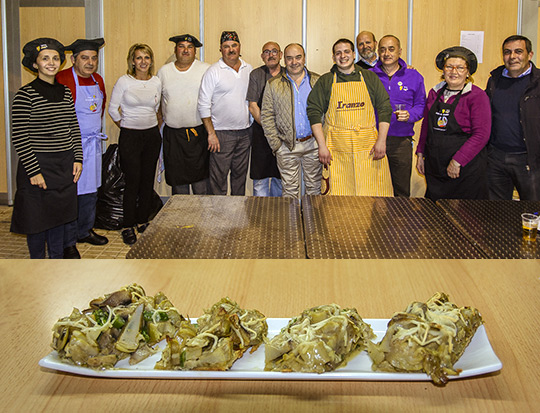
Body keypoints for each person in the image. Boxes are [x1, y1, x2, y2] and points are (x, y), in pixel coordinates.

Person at [11, 38, 83, 258]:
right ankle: (37, 265)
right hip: (38, 167)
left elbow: (73, 127)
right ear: (35, 64)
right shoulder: (25, 95)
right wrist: (33, 171)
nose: (51, 62)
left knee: (59, 219)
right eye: (45, 59)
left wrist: (78, 158)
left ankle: (56, 263)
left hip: (64, 165)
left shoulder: (65, 92)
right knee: (37, 221)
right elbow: (20, 137)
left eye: (54, 58)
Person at [308, 38, 393, 196]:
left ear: (354, 55)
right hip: (336, 149)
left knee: (370, 195)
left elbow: (384, 108)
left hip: (368, 148)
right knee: (338, 197)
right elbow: (313, 112)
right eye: (338, 53)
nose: (343, 56)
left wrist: (382, 141)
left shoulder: (369, 78)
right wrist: (322, 146)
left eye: (347, 51)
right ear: (333, 58)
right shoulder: (326, 81)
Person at [416, 46, 491, 201]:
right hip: (436, 166)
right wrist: (420, 153)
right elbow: (426, 126)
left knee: (465, 217)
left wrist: (457, 161)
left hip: (465, 169)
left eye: (460, 68)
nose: (453, 72)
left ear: (468, 72)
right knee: (435, 214)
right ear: (443, 70)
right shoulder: (434, 93)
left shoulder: (477, 96)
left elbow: (481, 135)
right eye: (449, 67)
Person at [57, 38, 108, 259]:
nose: (90, 63)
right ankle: (67, 242)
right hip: (71, 146)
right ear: (73, 59)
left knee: (90, 191)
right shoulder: (63, 79)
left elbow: (101, 107)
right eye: (84, 58)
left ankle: (84, 230)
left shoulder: (98, 80)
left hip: (93, 144)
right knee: (72, 194)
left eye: (94, 58)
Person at [108, 43, 161, 245]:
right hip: (130, 136)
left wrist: (150, 127)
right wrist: (125, 125)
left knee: (147, 181)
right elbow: (113, 109)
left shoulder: (156, 81)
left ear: (151, 61)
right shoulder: (124, 81)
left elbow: (156, 108)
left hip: (151, 137)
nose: (143, 62)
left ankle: (142, 220)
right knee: (133, 182)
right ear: (132, 61)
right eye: (139, 58)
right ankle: (127, 225)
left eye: (146, 58)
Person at [261, 43, 321, 199]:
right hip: (286, 146)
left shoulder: (317, 81)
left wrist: (322, 142)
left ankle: (312, 223)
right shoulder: (273, 84)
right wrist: (277, 146)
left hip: (313, 145)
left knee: (314, 190)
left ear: (304, 58)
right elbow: (267, 116)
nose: (294, 62)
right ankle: (292, 223)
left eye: (298, 57)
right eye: (289, 58)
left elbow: (326, 113)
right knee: (289, 192)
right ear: (284, 59)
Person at [486, 35, 540, 201]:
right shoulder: (494, 80)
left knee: (533, 210)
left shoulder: (537, 82)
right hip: (496, 158)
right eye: (507, 52)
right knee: (497, 212)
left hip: (529, 159)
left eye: (518, 51)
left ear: (529, 55)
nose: (512, 57)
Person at [371, 35, 426, 197]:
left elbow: (421, 105)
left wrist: (410, 115)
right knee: (373, 189)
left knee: (401, 190)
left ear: (400, 51)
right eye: (382, 49)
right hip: (372, 140)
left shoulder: (414, 76)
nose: (386, 53)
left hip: (401, 142)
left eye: (391, 49)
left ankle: (398, 222)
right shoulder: (368, 76)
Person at [198, 31, 252, 195]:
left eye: (234, 45)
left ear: (239, 47)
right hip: (221, 135)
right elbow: (203, 104)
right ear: (221, 49)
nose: (231, 49)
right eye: (226, 46)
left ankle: (237, 215)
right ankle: (219, 217)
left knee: (239, 178)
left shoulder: (248, 69)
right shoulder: (213, 71)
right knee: (218, 180)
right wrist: (211, 134)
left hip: (245, 133)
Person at [157, 34, 210, 195]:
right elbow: (157, 102)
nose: (186, 50)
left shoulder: (205, 69)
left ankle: (203, 220)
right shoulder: (164, 71)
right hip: (173, 136)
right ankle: (179, 219)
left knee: (201, 184)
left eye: (190, 47)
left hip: (198, 135)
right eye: (181, 46)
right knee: (178, 184)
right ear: (175, 50)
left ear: (195, 51)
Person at [246, 41, 283, 197]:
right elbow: (253, 106)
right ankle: (260, 215)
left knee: (280, 177)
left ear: (280, 55)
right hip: (261, 133)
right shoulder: (256, 75)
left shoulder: (289, 74)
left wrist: (279, 131)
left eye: (274, 51)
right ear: (262, 56)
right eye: (267, 52)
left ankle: (279, 213)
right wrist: (269, 129)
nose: (271, 55)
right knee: (260, 179)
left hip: (283, 134)